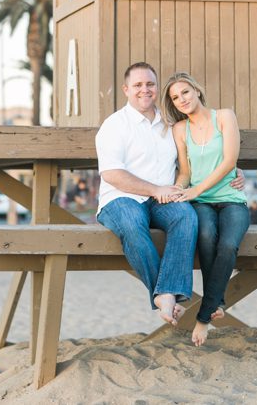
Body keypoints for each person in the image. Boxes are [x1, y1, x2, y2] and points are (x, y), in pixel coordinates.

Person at [95, 62, 198, 326]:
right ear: (126, 89)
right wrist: (155, 189)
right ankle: (165, 295)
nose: (145, 90)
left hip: (162, 200)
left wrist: (235, 172)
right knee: (131, 224)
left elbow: (199, 154)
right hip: (120, 198)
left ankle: (167, 293)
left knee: (186, 217)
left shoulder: (170, 124)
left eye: (150, 84)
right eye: (138, 85)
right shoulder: (115, 125)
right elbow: (112, 174)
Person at [163, 72, 250, 347]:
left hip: (231, 198)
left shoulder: (224, 116)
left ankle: (203, 317)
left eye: (185, 92)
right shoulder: (180, 130)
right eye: (175, 98)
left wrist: (195, 190)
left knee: (228, 245)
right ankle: (217, 303)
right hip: (200, 203)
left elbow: (229, 162)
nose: (182, 100)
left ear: (197, 91)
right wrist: (179, 189)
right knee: (206, 236)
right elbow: (186, 173)